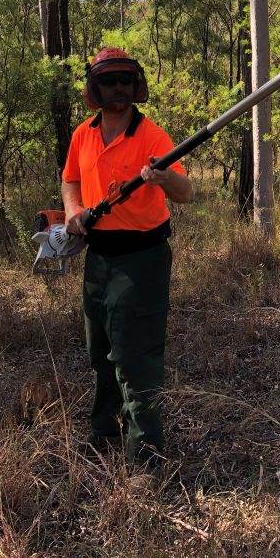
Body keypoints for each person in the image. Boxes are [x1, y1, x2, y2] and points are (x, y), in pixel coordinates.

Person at [61, 47, 193, 477]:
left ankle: (147, 460)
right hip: (98, 257)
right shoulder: (83, 133)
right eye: (108, 81)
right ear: (94, 88)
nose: (117, 89)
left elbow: (185, 191)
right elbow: (70, 180)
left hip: (142, 259)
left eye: (124, 80)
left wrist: (164, 175)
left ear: (136, 85)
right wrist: (72, 213)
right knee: (99, 351)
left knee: (135, 358)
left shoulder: (153, 136)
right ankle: (103, 435)